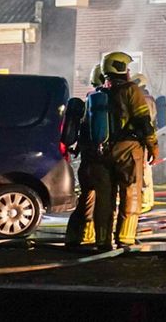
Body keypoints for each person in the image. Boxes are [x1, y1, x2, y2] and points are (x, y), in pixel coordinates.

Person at [92, 51, 158, 249]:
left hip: (102, 152)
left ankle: (102, 240)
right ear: (120, 68)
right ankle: (125, 238)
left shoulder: (98, 94)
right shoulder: (132, 91)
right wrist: (152, 146)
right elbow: (143, 122)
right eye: (126, 67)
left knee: (104, 199)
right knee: (131, 194)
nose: (129, 71)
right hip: (128, 151)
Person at [64, 64, 104, 250]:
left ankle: (74, 235)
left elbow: (81, 134)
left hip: (86, 161)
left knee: (86, 197)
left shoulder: (88, 103)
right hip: (99, 161)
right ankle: (88, 237)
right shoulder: (104, 104)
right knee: (97, 199)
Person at [130, 73, 158, 215]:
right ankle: (143, 200)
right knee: (142, 170)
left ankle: (146, 202)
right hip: (143, 140)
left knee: (145, 170)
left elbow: (144, 121)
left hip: (142, 140)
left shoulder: (144, 100)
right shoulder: (148, 99)